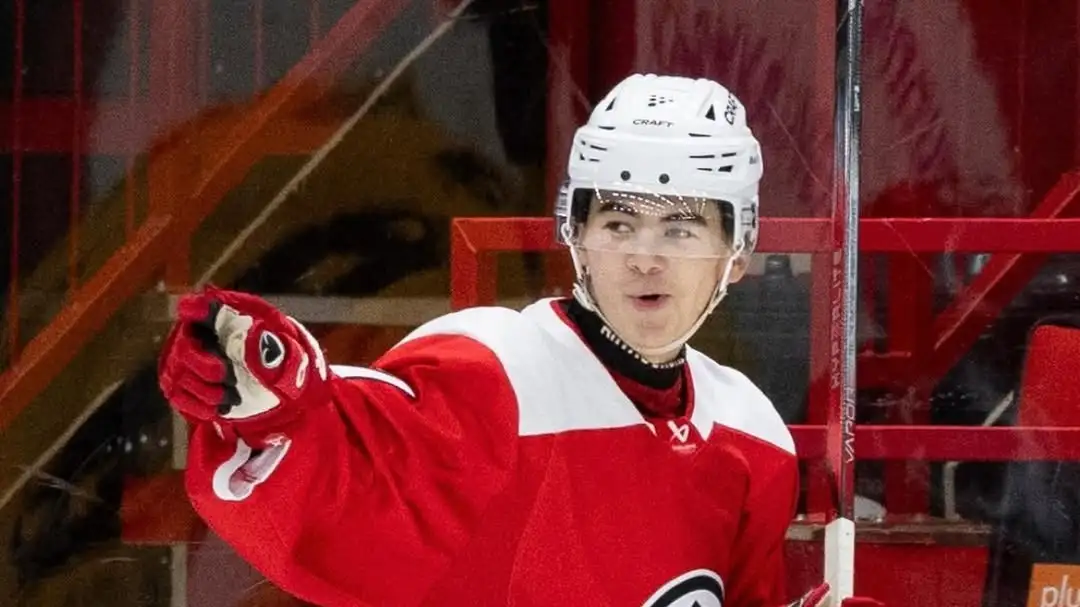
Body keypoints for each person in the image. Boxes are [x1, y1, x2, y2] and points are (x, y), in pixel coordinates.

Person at [158, 74, 881, 607]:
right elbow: (355, 477)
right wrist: (272, 408)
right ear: (575, 234)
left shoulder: (751, 429)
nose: (645, 257)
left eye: (681, 228)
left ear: (738, 251)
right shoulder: (494, 368)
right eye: (619, 224)